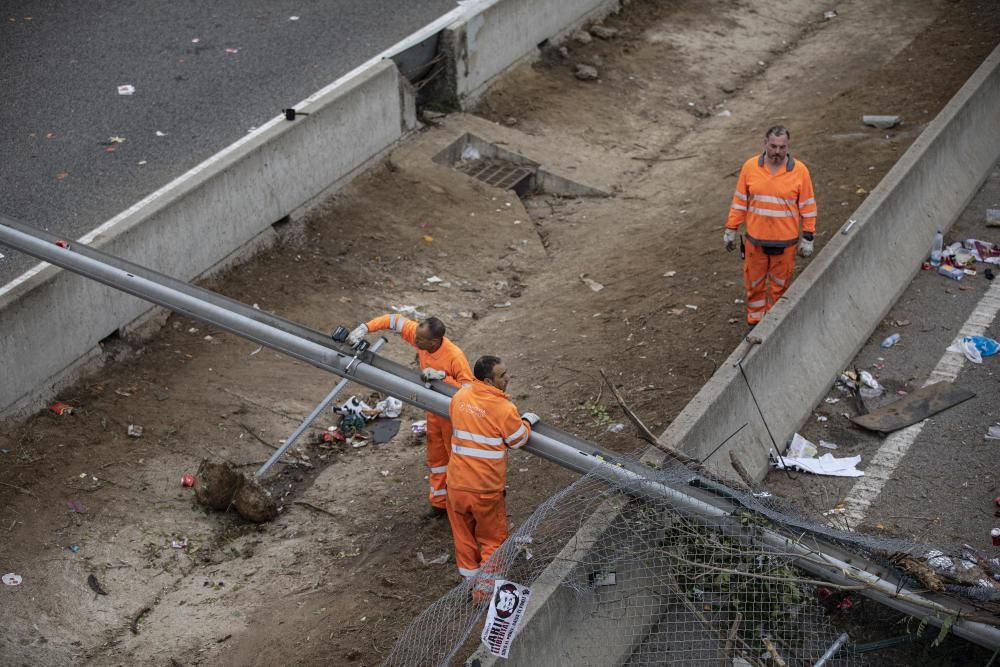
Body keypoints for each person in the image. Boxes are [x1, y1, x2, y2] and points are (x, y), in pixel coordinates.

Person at [348, 314, 474, 517]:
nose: (414, 340)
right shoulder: (421, 335)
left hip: (452, 415)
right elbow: (393, 320)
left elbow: (469, 391)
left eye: (420, 340)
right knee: (436, 459)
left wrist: (444, 379)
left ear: (433, 341)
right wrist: (364, 327)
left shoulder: (454, 357)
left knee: (457, 461)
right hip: (434, 411)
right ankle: (439, 503)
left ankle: (464, 508)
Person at [446, 355, 537, 602]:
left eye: (507, 372)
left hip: (455, 484)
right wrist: (527, 421)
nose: (508, 378)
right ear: (489, 380)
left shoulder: (460, 398)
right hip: (484, 488)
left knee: (464, 537)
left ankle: (470, 582)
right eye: (502, 375)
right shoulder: (503, 408)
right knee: (492, 540)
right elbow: (518, 439)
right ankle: (484, 594)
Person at [724, 125, 818, 328]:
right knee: (754, 286)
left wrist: (808, 236)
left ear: (787, 146)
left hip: (785, 243)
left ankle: (774, 327)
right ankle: (755, 324)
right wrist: (731, 228)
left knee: (780, 288)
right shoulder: (750, 167)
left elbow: (808, 206)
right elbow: (740, 201)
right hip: (755, 242)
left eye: (782, 147)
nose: (777, 152)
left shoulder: (800, 171)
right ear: (765, 143)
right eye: (773, 146)